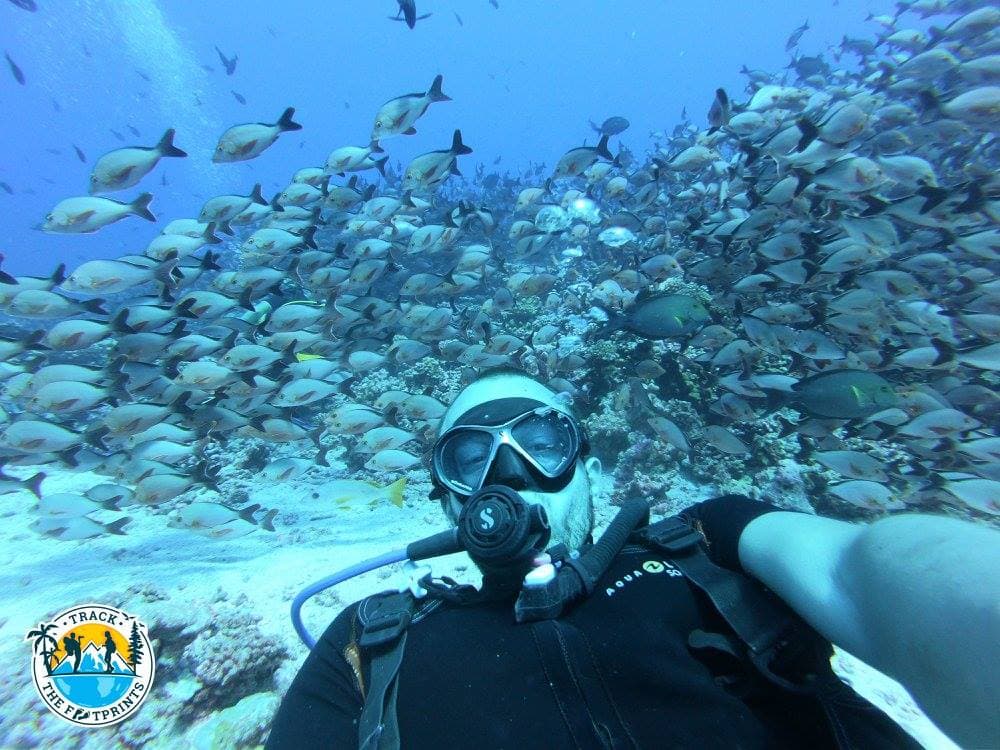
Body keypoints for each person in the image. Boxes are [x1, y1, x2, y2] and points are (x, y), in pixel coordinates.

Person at [267, 371, 999, 749]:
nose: (510, 476)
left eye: (542, 443)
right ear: (448, 506)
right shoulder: (373, 644)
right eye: (470, 457)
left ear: (589, 470)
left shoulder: (710, 546)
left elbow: (858, 570)